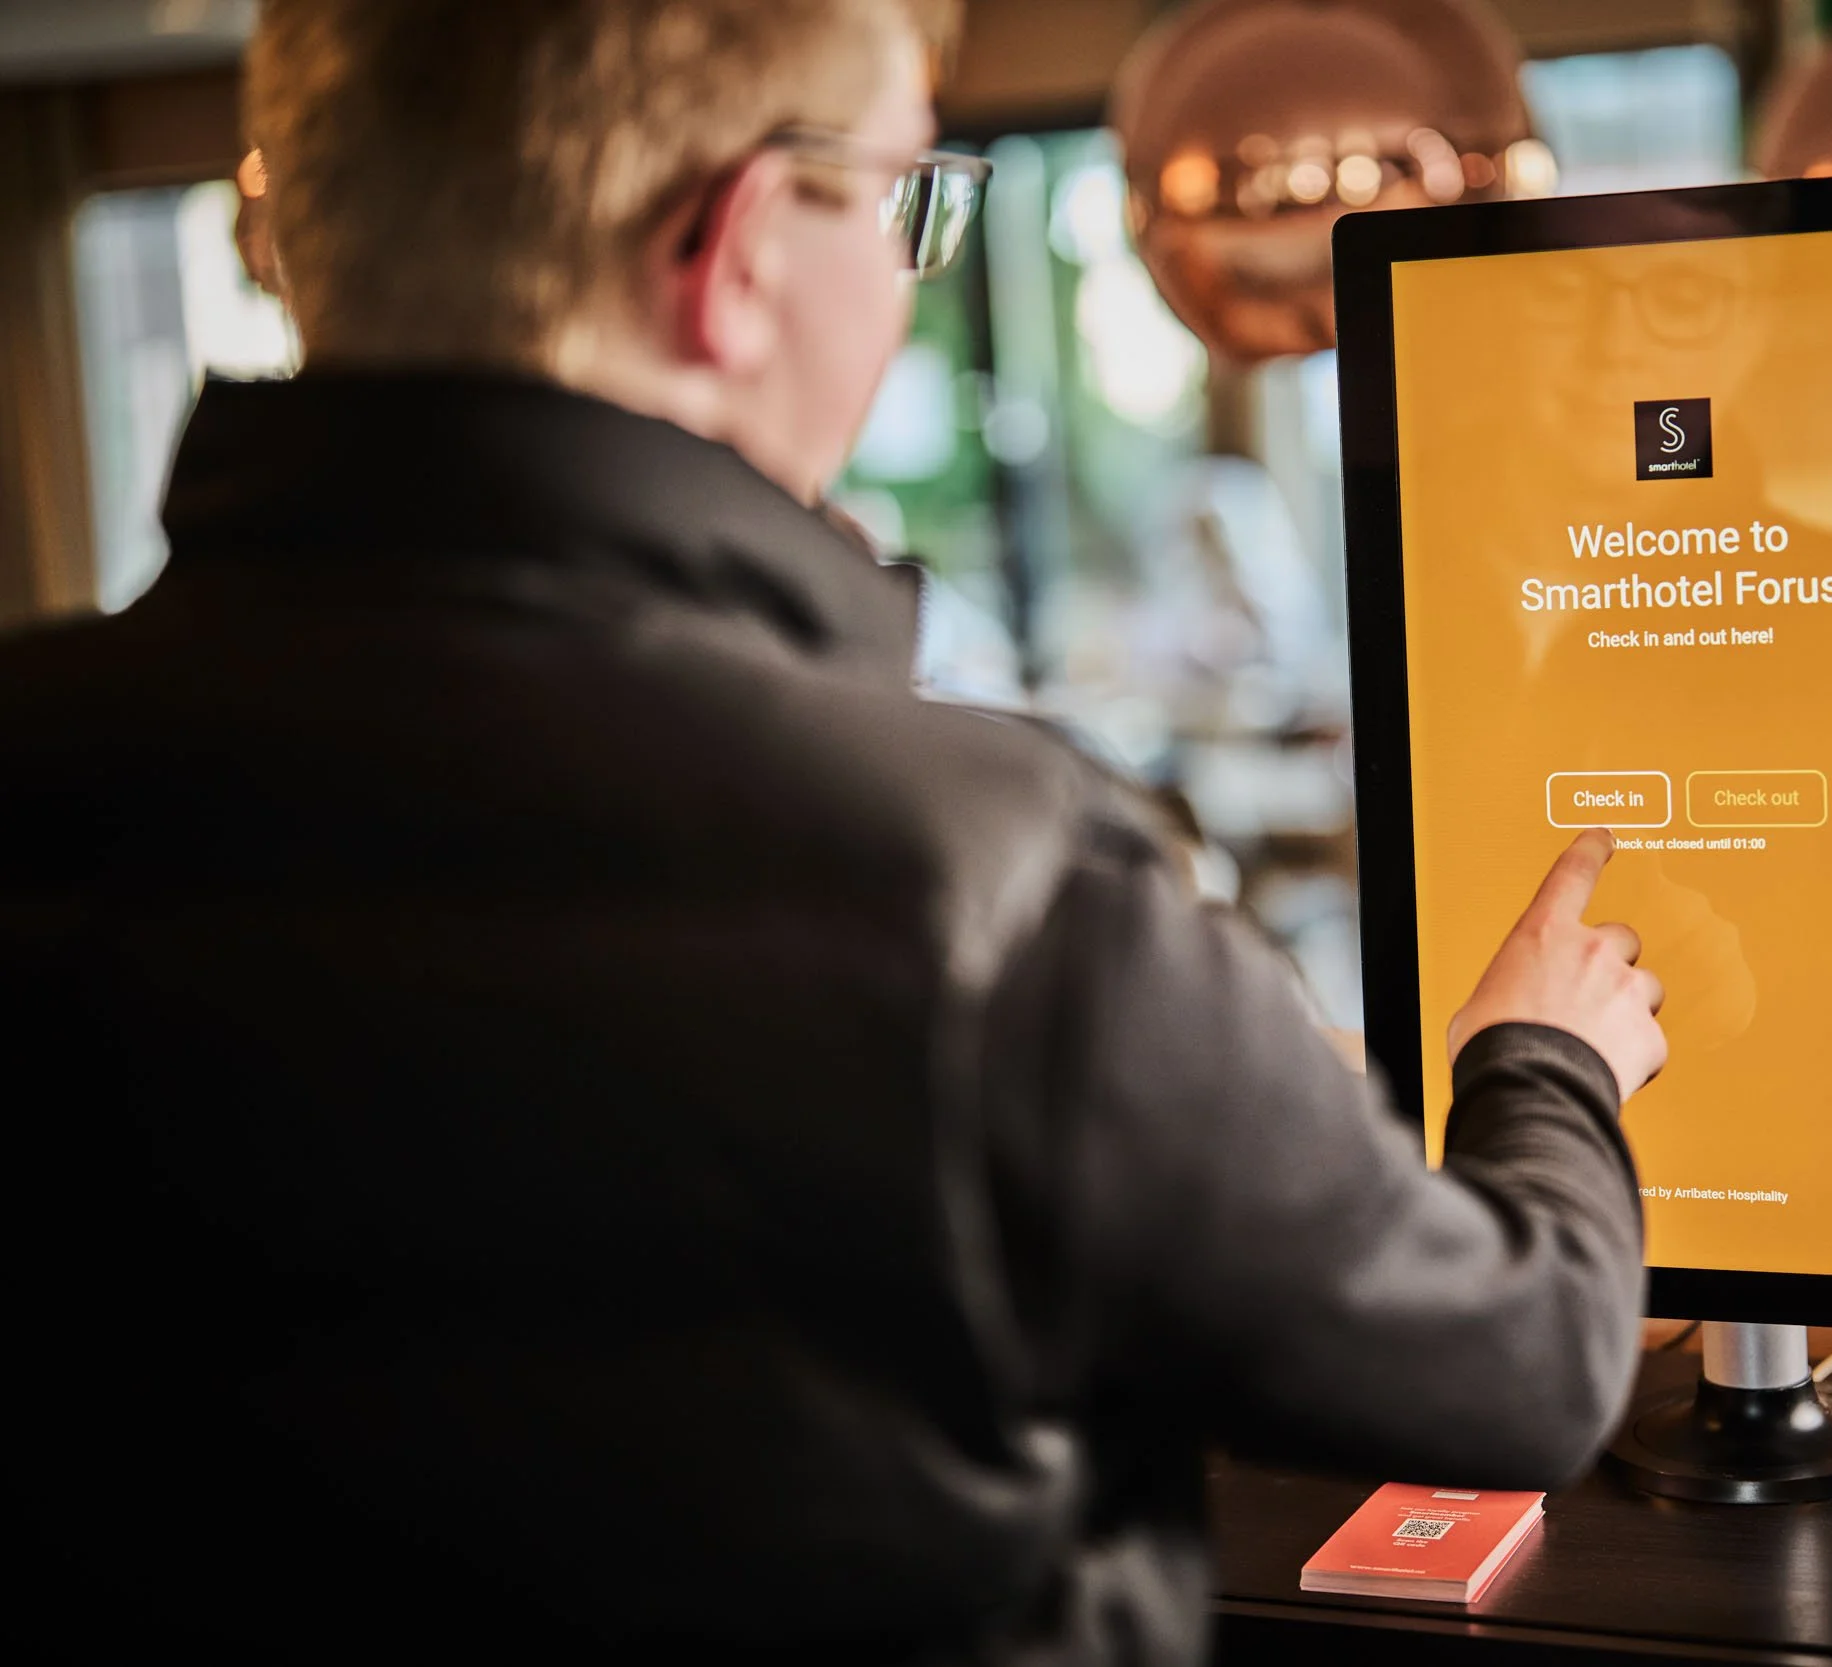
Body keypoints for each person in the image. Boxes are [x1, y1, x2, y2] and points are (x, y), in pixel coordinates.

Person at [0, 1, 1666, 1656]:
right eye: (898, 199)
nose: (902, 272)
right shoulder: (992, 881)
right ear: (734, 251)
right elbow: (1513, 1371)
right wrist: (1540, 1061)